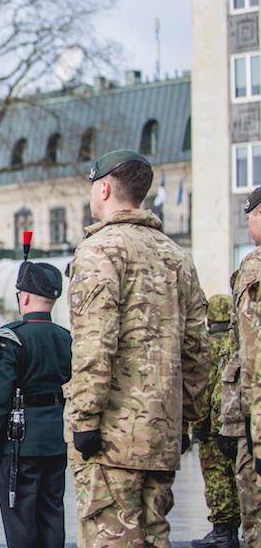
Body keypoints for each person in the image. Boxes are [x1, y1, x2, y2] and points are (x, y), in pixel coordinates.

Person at [65, 149, 209, 546]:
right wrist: (184, 419)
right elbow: (198, 350)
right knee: (154, 535)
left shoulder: (99, 250)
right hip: (162, 431)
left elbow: (94, 343)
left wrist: (85, 419)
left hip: (112, 434)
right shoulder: (178, 257)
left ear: (105, 188)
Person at [0, 261, 71, 548]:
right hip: (56, 437)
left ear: (24, 297)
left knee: (20, 517)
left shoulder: (11, 338)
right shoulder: (65, 338)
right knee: (52, 511)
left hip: (19, 440)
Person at [189, 294, 241, 548]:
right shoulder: (236, 342)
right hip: (233, 422)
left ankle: (223, 530)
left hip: (211, 424)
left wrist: (198, 425)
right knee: (236, 475)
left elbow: (203, 386)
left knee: (216, 476)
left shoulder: (207, 345)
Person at [226, 186, 261, 547]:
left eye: (249, 216)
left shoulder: (255, 266)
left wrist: (256, 435)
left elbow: (254, 358)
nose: (248, 226)